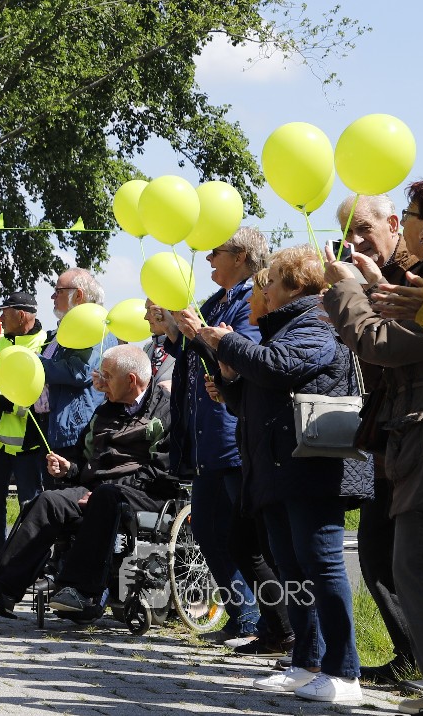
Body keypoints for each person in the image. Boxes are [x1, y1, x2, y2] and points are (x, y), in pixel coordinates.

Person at [206, 246, 361, 704]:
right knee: (292, 567)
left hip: (313, 467)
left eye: (272, 279)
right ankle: (307, 661)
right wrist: (231, 382)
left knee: (322, 565)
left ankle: (343, 671)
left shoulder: (316, 321)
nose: (266, 287)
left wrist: (228, 344)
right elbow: (256, 399)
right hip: (279, 465)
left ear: (295, 285)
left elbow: (279, 368)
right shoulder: (284, 328)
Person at [0, 345, 173, 619]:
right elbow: (85, 459)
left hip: (142, 492)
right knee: (48, 501)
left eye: (107, 376)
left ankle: (80, 592)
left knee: (105, 497)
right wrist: (69, 469)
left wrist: (114, 489)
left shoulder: (165, 411)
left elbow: (160, 471)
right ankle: (2, 589)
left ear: (131, 380)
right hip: (99, 490)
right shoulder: (106, 409)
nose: (100, 383)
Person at [323, 184, 423, 710]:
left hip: (410, 433)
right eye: (347, 233)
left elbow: (380, 344)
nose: (355, 241)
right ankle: (409, 657)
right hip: (387, 436)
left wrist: (351, 294)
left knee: (407, 560)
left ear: (395, 224)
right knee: (381, 555)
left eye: (364, 228)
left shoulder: (414, 278)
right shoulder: (380, 277)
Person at [167, 226, 283, 648]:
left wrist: (199, 334)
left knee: (254, 541)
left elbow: (240, 358)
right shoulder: (214, 302)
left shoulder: (256, 300)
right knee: (209, 533)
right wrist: (178, 334)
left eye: (215, 251)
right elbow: (192, 360)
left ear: (240, 256)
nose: (208, 258)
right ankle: (246, 616)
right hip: (206, 437)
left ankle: (281, 626)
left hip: (233, 435)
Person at [0, 292, 47, 570]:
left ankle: (29, 569)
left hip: (28, 446)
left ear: (22, 314)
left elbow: (42, 397)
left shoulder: (44, 345)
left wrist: (10, 405)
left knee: (31, 509)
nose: (0, 317)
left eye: (5, 311)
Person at [38, 269, 110, 466]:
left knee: (71, 485)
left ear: (78, 295)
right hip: (55, 429)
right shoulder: (62, 331)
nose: (52, 297)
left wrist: (34, 363)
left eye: (58, 291)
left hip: (78, 433)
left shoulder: (97, 327)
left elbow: (80, 371)